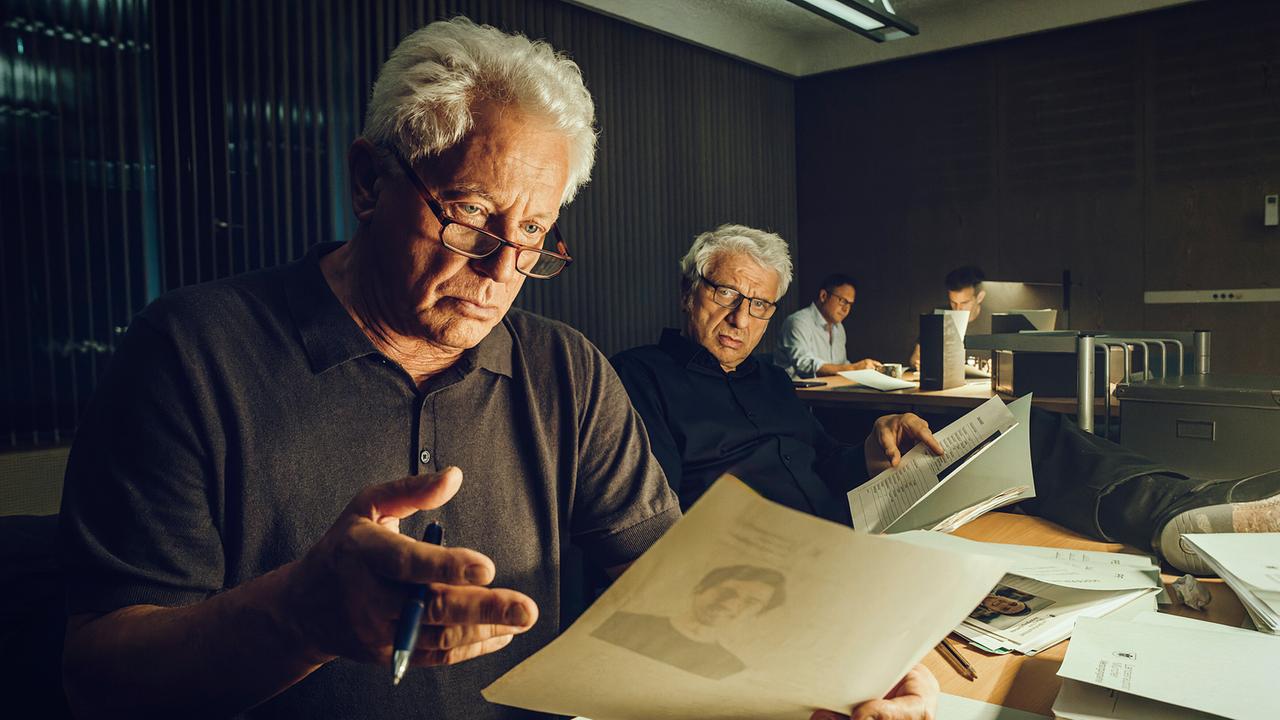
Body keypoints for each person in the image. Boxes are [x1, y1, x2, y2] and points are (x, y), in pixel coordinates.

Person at [56, 18, 935, 720]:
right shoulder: (193, 353)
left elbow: (677, 588)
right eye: (472, 216)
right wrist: (297, 616)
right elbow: (99, 677)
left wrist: (843, 661)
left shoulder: (567, 373)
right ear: (368, 182)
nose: (500, 270)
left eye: (533, 237)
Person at [612, 227, 1280, 575]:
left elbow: (824, 463)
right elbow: (665, 514)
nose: (740, 317)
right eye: (724, 294)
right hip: (781, 551)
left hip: (850, 515)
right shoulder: (637, 378)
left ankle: (1177, 516)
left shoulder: (768, 380)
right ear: (687, 291)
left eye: (759, 304)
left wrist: (871, 451)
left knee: (1020, 433)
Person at [591, 565, 785, 680]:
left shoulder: (733, 670)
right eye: (727, 591)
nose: (731, 604)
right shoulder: (622, 624)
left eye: (751, 602)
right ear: (700, 588)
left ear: (757, 614)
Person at [775, 273, 881, 378]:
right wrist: (853, 368)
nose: (846, 309)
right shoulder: (798, 322)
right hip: (794, 392)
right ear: (823, 296)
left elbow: (840, 364)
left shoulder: (838, 328)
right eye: (843, 301)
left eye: (850, 304)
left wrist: (866, 370)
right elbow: (804, 365)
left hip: (826, 391)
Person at [909, 265, 987, 370]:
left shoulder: (994, 320)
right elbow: (915, 358)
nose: (958, 309)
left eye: (964, 303)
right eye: (953, 302)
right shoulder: (938, 317)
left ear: (980, 297)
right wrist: (919, 362)